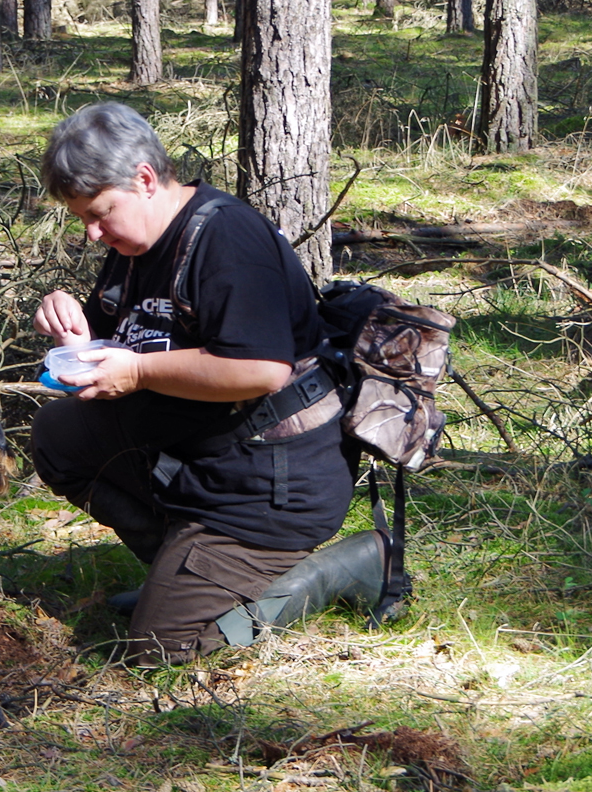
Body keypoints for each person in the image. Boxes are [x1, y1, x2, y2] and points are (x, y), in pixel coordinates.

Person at [30, 102, 389, 666]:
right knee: (58, 433)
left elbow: (260, 370)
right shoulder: (136, 244)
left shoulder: (226, 240)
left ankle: (336, 570)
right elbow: (123, 336)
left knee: (156, 648)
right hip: (198, 459)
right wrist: (68, 319)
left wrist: (140, 372)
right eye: (82, 220)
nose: (94, 233)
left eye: (101, 214)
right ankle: (183, 574)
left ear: (145, 180)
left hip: (270, 485)